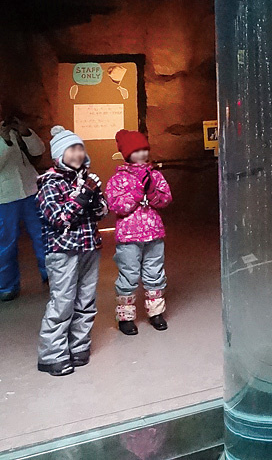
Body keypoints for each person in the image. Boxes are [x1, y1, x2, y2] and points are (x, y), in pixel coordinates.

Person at [36, 126, 108, 376]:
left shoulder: (86, 179)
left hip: (89, 247)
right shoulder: (49, 184)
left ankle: (79, 347)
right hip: (63, 251)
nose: (77, 154)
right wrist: (82, 196)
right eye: (71, 149)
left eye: (80, 148)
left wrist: (95, 197)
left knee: (86, 300)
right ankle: (52, 354)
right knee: (63, 301)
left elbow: (101, 213)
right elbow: (59, 219)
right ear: (59, 154)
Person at [106, 130, 172, 335]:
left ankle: (156, 312)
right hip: (128, 236)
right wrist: (137, 192)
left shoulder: (155, 175)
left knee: (155, 272)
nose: (142, 154)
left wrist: (151, 190)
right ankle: (125, 317)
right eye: (137, 150)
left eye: (145, 149)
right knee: (129, 273)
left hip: (154, 233)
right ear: (127, 154)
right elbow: (117, 206)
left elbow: (165, 199)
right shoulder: (118, 179)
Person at [0, 103, 48, 302]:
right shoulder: (4, 135)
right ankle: (7, 286)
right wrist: (4, 141)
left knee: (43, 235)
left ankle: (51, 275)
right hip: (5, 196)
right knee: (6, 242)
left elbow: (39, 150)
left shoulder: (14, 130)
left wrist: (24, 132)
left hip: (31, 189)